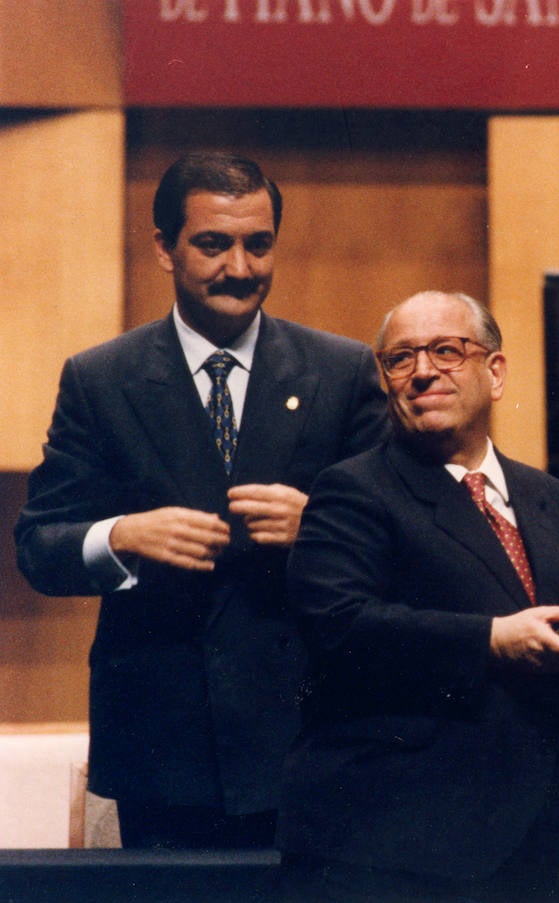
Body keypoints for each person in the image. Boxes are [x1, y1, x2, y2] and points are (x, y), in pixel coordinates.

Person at [13, 152, 389, 847]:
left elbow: (407, 542)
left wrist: (320, 525)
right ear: (164, 247)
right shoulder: (100, 379)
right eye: (214, 244)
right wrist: (120, 535)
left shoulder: (343, 371)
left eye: (259, 243)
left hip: (311, 737)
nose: (240, 268)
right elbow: (39, 546)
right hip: (163, 746)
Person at [275, 291, 559, 901]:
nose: (421, 372)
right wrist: (492, 639)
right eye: (400, 359)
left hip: (551, 845)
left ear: (495, 373)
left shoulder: (555, 502)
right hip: (404, 848)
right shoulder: (352, 491)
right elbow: (341, 628)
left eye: (446, 351)